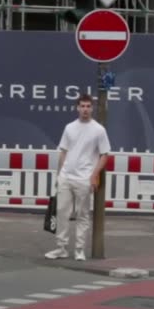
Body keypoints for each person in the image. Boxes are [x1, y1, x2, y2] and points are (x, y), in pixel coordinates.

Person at [46, 93, 111, 261]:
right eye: (82, 106)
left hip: (84, 178)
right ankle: (61, 248)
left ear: (93, 108)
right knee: (62, 212)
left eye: (88, 106)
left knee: (82, 214)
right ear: (77, 108)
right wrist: (59, 175)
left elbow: (105, 155)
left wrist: (94, 175)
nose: (85, 110)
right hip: (66, 176)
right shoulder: (69, 128)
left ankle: (79, 249)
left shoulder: (99, 130)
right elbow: (63, 151)